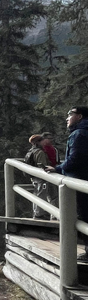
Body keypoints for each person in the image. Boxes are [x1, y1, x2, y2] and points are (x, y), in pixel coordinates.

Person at [46, 106, 88, 260]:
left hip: (80, 181)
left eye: (70, 114)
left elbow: (75, 159)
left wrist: (58, 168)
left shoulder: (79, 134)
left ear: (80, 116)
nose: (67, 118)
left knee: (84, 215)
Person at [26, 134, 51, 220]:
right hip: (40, 178)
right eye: (42, 140)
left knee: (36, 194)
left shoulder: (30, 152)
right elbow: (42, 165)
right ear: (39, 142)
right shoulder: (40, 152)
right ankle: (39, 214)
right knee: (41, 194)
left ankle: (36, 213)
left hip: (33, 177)